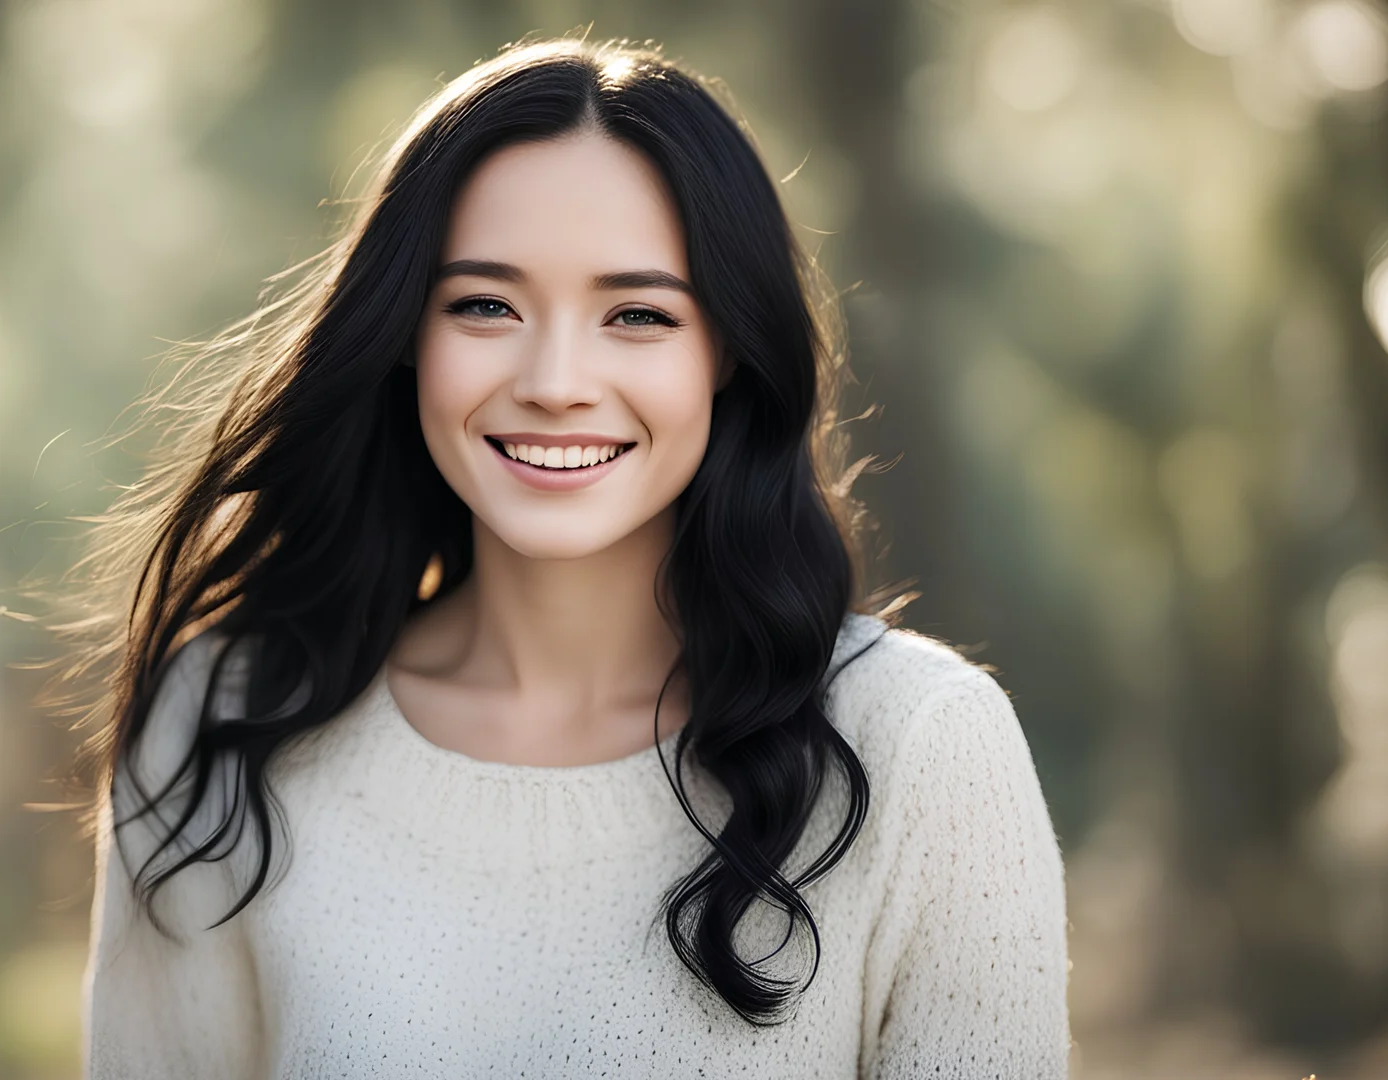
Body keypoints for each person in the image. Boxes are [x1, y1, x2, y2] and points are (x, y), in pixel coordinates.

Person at [72, 36, 1070, 1079]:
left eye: (638, 314)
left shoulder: (921, 750)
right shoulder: (221, 726)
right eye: (485, 305)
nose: (555, 380)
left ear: (725, 349)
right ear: (407, 330)